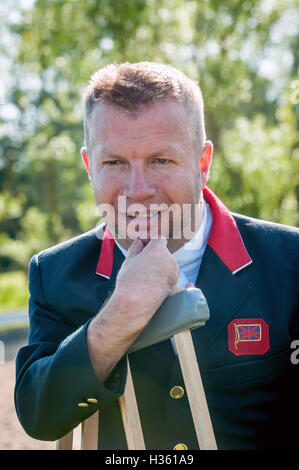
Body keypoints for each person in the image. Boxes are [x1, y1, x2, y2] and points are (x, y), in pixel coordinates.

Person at [15, 62, 299, 450]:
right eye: (114, 163)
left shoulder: (290, 261)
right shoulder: (55, 273)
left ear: (203, 163)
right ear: (88, 167)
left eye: (160, 161)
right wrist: (122, 312)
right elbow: (40, 417)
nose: (138, 189)